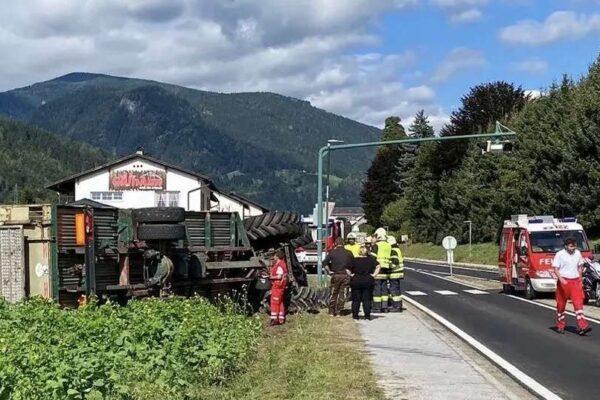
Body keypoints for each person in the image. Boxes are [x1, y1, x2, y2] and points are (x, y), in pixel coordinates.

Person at [552, 238, 592, 335]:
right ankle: (560, 325)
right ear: (566, 246)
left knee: (578, 303)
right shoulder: (560, 254)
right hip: (564, 281)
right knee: (561, 305)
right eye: (571, 246)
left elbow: (580, 266)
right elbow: (555, 268)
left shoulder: (577, 253)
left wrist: (580, 278)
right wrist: (561, 279)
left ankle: (583, 325)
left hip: (575, 281)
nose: (573, 248)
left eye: (574, 246)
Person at [347, 245, 380, 320]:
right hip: (368, 280)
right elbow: (378, 266)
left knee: (356, 299)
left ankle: (355, 316)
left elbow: (347, 269)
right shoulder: (371, 260)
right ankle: (367, 316)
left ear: (359, 252)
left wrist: (351, 275)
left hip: (356, 280)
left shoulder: (354, 260)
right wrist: (374, 275)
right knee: (367, 299)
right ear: (367, 252)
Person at [323, 237, 354, 316]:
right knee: (342, 294)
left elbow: (324, 263)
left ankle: (331, 311)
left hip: (335, 275)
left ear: (335, 244)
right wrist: (350, 271)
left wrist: (329, 271)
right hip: (345, 276)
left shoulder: (332, 252)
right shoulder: (349, 253)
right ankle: (339, 311)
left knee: (333, 293)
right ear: (343, 243)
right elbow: (353, 264)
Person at [371, 227, 392, 313]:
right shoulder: (388, 245)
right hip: (386, 270)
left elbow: (373, 258)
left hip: (378, 269)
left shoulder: (377, 245)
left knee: (377, 289)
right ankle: (385, 307)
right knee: (384, 289)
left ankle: (377, 307)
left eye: (376, 236)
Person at [269, 249, 288, 326]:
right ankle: (281, 318)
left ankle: (274, 319)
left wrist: (271, 277)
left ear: (277, 256)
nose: (274, 257)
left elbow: (279, 276)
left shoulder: (280, 265)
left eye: (275, 255)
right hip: (280, 286)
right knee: (280, 302)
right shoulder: (282, 264)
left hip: (277, 286)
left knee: (274, 302)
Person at [387, 236, 404, 312]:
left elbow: (395, 262)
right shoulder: (397, 249)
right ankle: (398, 305)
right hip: (398, 273)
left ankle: (396, 306)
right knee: (397, 290)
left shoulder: (393, 250)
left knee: (393, 290)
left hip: (395, 272)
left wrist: (389, 267)